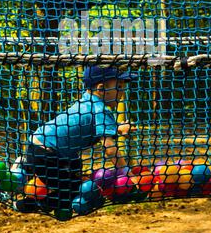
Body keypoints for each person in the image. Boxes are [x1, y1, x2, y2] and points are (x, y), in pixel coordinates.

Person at [14, 65, 137, 216]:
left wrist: (118, 128)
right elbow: (110, 148)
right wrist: (127, 174)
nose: (122, 93)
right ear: (101, 88)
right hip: (48, 157)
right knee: (77, 192)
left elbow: (90, 124)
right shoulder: (101, 109)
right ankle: (32, 201)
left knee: (76, 169)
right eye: (118, 87)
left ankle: (26, 168)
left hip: (40, 147)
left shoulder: (86, 101)